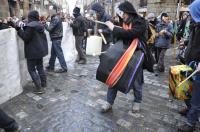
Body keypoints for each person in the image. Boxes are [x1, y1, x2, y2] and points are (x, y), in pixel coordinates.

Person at [100, 1, 147, 113]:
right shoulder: (123, 21)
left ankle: (137, 101)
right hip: (122, 53)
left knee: (136, 80)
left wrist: (113, 28)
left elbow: (130, 33)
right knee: (114, 75)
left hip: (136, 54)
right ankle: (109, 102)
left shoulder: (140, 22)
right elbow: (120, 36)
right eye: (121, 13)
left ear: (129, 12)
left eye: (123, 13)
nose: (122, 15)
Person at [178, 0, 200, 132]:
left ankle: (191, 124)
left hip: (198, 67)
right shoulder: (195, 25)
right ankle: (189, 108)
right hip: (190, 62)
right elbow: (194, 42)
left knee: (197, 96)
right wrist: (185, 43)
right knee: (187, 88)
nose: (190, 15)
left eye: (192, 12)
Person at [17, 10, 48, 94]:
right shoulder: (40, 24)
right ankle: (43, 84)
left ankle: (39, 88)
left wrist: (19, 30)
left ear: (30, 17)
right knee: (40, 67)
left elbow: (26, 37)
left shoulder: (31, 26)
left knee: (31, 69)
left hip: (32, 52)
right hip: (40, 51)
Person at [45, 8, 68, 73]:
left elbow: (49, 29)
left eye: (49, 12)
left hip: (56, 38)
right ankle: (51, 66)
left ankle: (64, 68)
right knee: (53, 53)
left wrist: (44, 24)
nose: (48, 13)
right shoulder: (55, 18)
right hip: (56, 37)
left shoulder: (55, 18)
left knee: (59, 53)